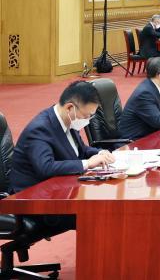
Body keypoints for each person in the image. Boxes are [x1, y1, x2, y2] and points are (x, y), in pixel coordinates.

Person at [8, 82, 116, 235]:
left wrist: (99, 153)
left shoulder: (67, 120)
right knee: (96, 214)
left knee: (107, 206)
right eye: (86, 116)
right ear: (70, 108)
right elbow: (46, 167)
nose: (88, 120)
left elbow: (81, 150)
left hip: (56, 191)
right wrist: (87, 163)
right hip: (34, 200)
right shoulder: (40, 129)